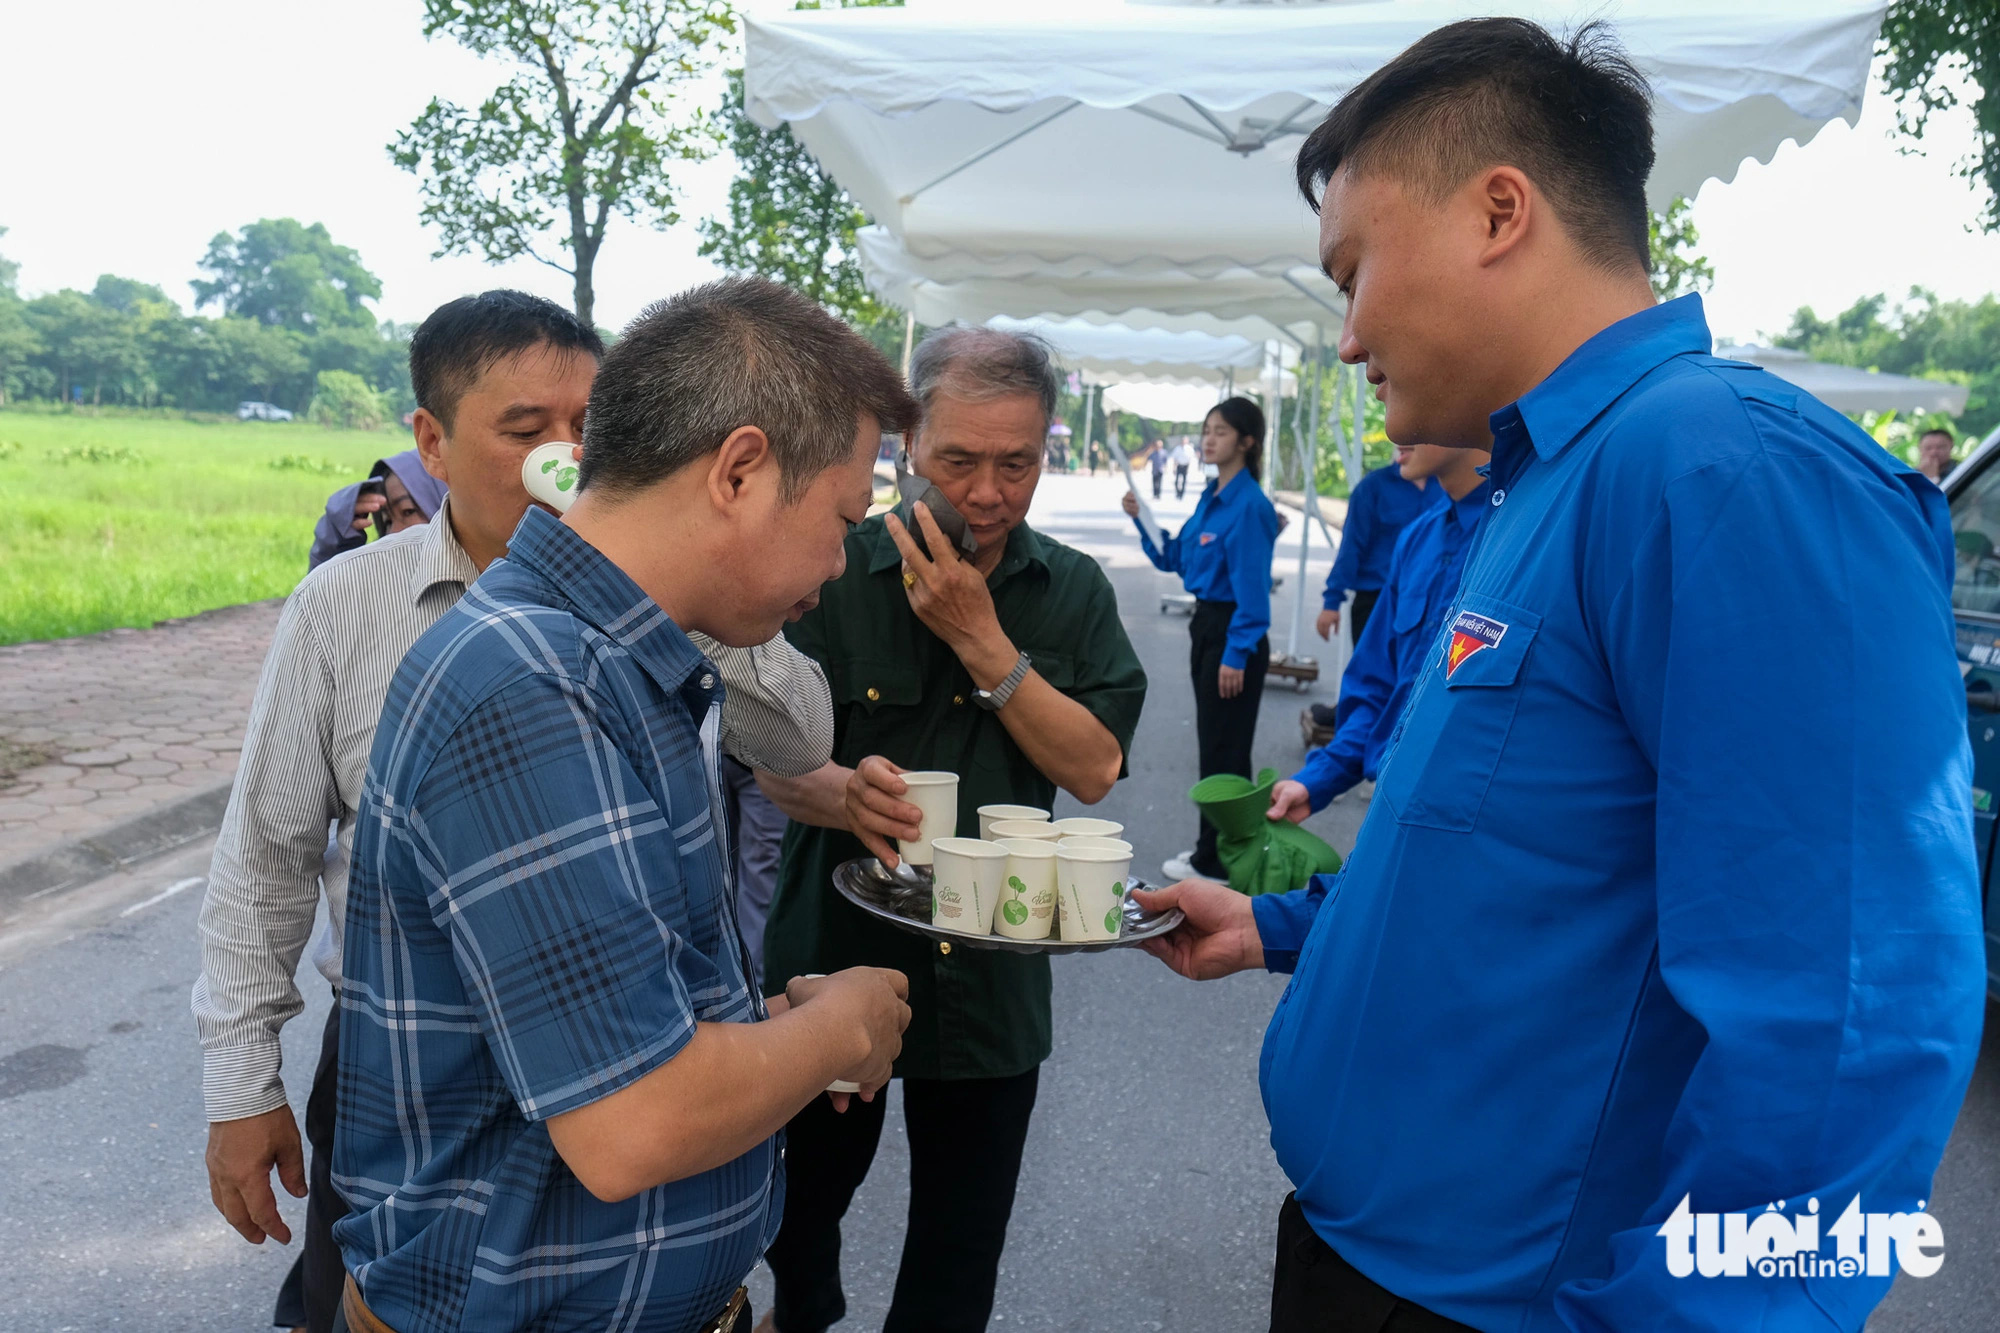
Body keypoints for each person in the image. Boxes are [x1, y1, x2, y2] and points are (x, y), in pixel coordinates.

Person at [1134, 18, 1983, 1332]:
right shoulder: (1537, 489)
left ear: (1498, 211)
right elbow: (1516, 858)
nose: (1346, 337)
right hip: (1377, 1261)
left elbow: (1856, 1019)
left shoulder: (1727, 474)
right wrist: (1282, 927)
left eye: (1353, 271)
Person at [193, 289, 838, 1333]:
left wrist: (717, 585)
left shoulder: (670, 602)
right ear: (432, 443)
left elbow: (801, 739)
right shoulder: (346, 606)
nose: (564, 456)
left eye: (590, 428)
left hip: (641, 1042)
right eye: (527, 431)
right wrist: (240, 1081)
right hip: (420, 1073)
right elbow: (267, 854)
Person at [332, 278, 916, 1333]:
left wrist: (761, 1025)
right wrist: (837, 1030)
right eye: (838, 519)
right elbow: (633, 1120)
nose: (836, 565)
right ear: (738, 470)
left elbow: (600, 1011)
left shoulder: (619, 664)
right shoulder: (530, 680)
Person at [753, 326, 1147, 1333]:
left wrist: (983, 641)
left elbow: (1095, 767)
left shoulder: (1068, 589)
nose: (985, 492)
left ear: (1047, 449)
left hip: (993, 969)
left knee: (957, 1251)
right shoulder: (829, 572)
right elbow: (766, 760)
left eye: (1014, 464)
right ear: (907, 443)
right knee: (793, 1218)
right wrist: (841, 791)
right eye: (958, 460)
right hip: (832, 962)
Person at [1268, 442, 1486, 822]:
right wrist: (1322, 775)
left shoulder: (1535, 534)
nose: (1392, 426)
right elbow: (1380, 685)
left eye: (1410, 384)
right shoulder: (1418, 537)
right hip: (1399, 806)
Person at [1125, 396, 1279, 883]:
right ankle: (1223, 852)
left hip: (1233, 633)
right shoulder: (1211, 498)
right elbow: (1178, 559)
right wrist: (1141, 520)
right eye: (1207, 430)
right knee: (1216, 746)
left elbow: (1254, 593)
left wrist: (1236, 653)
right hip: (1208, 628)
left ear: (1247, 441)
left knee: (1225, 750)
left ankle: (1216, 860)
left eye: (1221, 431)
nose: (1208, 439)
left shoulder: (1250, 506)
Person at [1318, 445, 1433, 643]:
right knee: (1369, 673)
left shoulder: (1447, 488)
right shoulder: (1374, 486)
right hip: (1376, 601)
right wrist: (1332, 600)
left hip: (1431, 603)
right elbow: (1351, 547)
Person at [307, 450, 447, 570]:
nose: (392, 533)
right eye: (387, 522)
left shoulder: (467, 590)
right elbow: (318, 595)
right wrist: (336, 539)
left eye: (408, 511)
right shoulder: (386, 584)